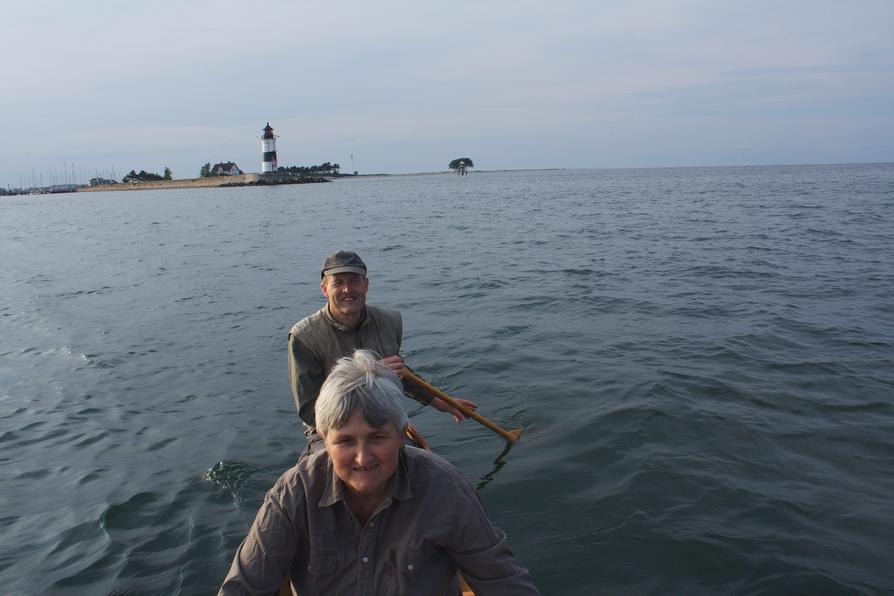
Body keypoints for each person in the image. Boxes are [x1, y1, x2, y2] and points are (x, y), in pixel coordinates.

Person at [220, 350, 541, 596]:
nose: (362, 457)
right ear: (324, 440)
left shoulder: (445, 490)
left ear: (402, 436)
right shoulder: (292, 495)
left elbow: (505, 582)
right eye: (345, 441)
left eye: (377, 437)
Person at [288, 250, 476, 449]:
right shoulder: (304, 337)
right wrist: (370, 375)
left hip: (382, 418)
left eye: (354, 281)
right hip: (331, 428)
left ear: (366, 285)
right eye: (338, 283)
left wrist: (439, 401)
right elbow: (310, 411)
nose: (346, 289)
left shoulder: (390, 321)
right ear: (324, 289)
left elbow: (397, 371)